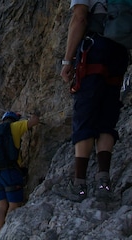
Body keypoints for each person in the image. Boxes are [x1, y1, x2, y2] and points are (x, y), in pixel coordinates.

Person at [55, 0, 129, 202]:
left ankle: (79, 185)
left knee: (85, 115)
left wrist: (68, 61)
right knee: (107, 117)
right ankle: (104, 184)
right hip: (120, 52)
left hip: (94, 50)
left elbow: (79, 18)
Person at [0, 111, 39, 230]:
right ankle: (8, 234)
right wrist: (35, 114)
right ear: (14, 120)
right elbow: (34, 122)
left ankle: (0, 233)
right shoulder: (15, 127)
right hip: (10, 173)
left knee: (2, 206)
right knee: (14, 205)